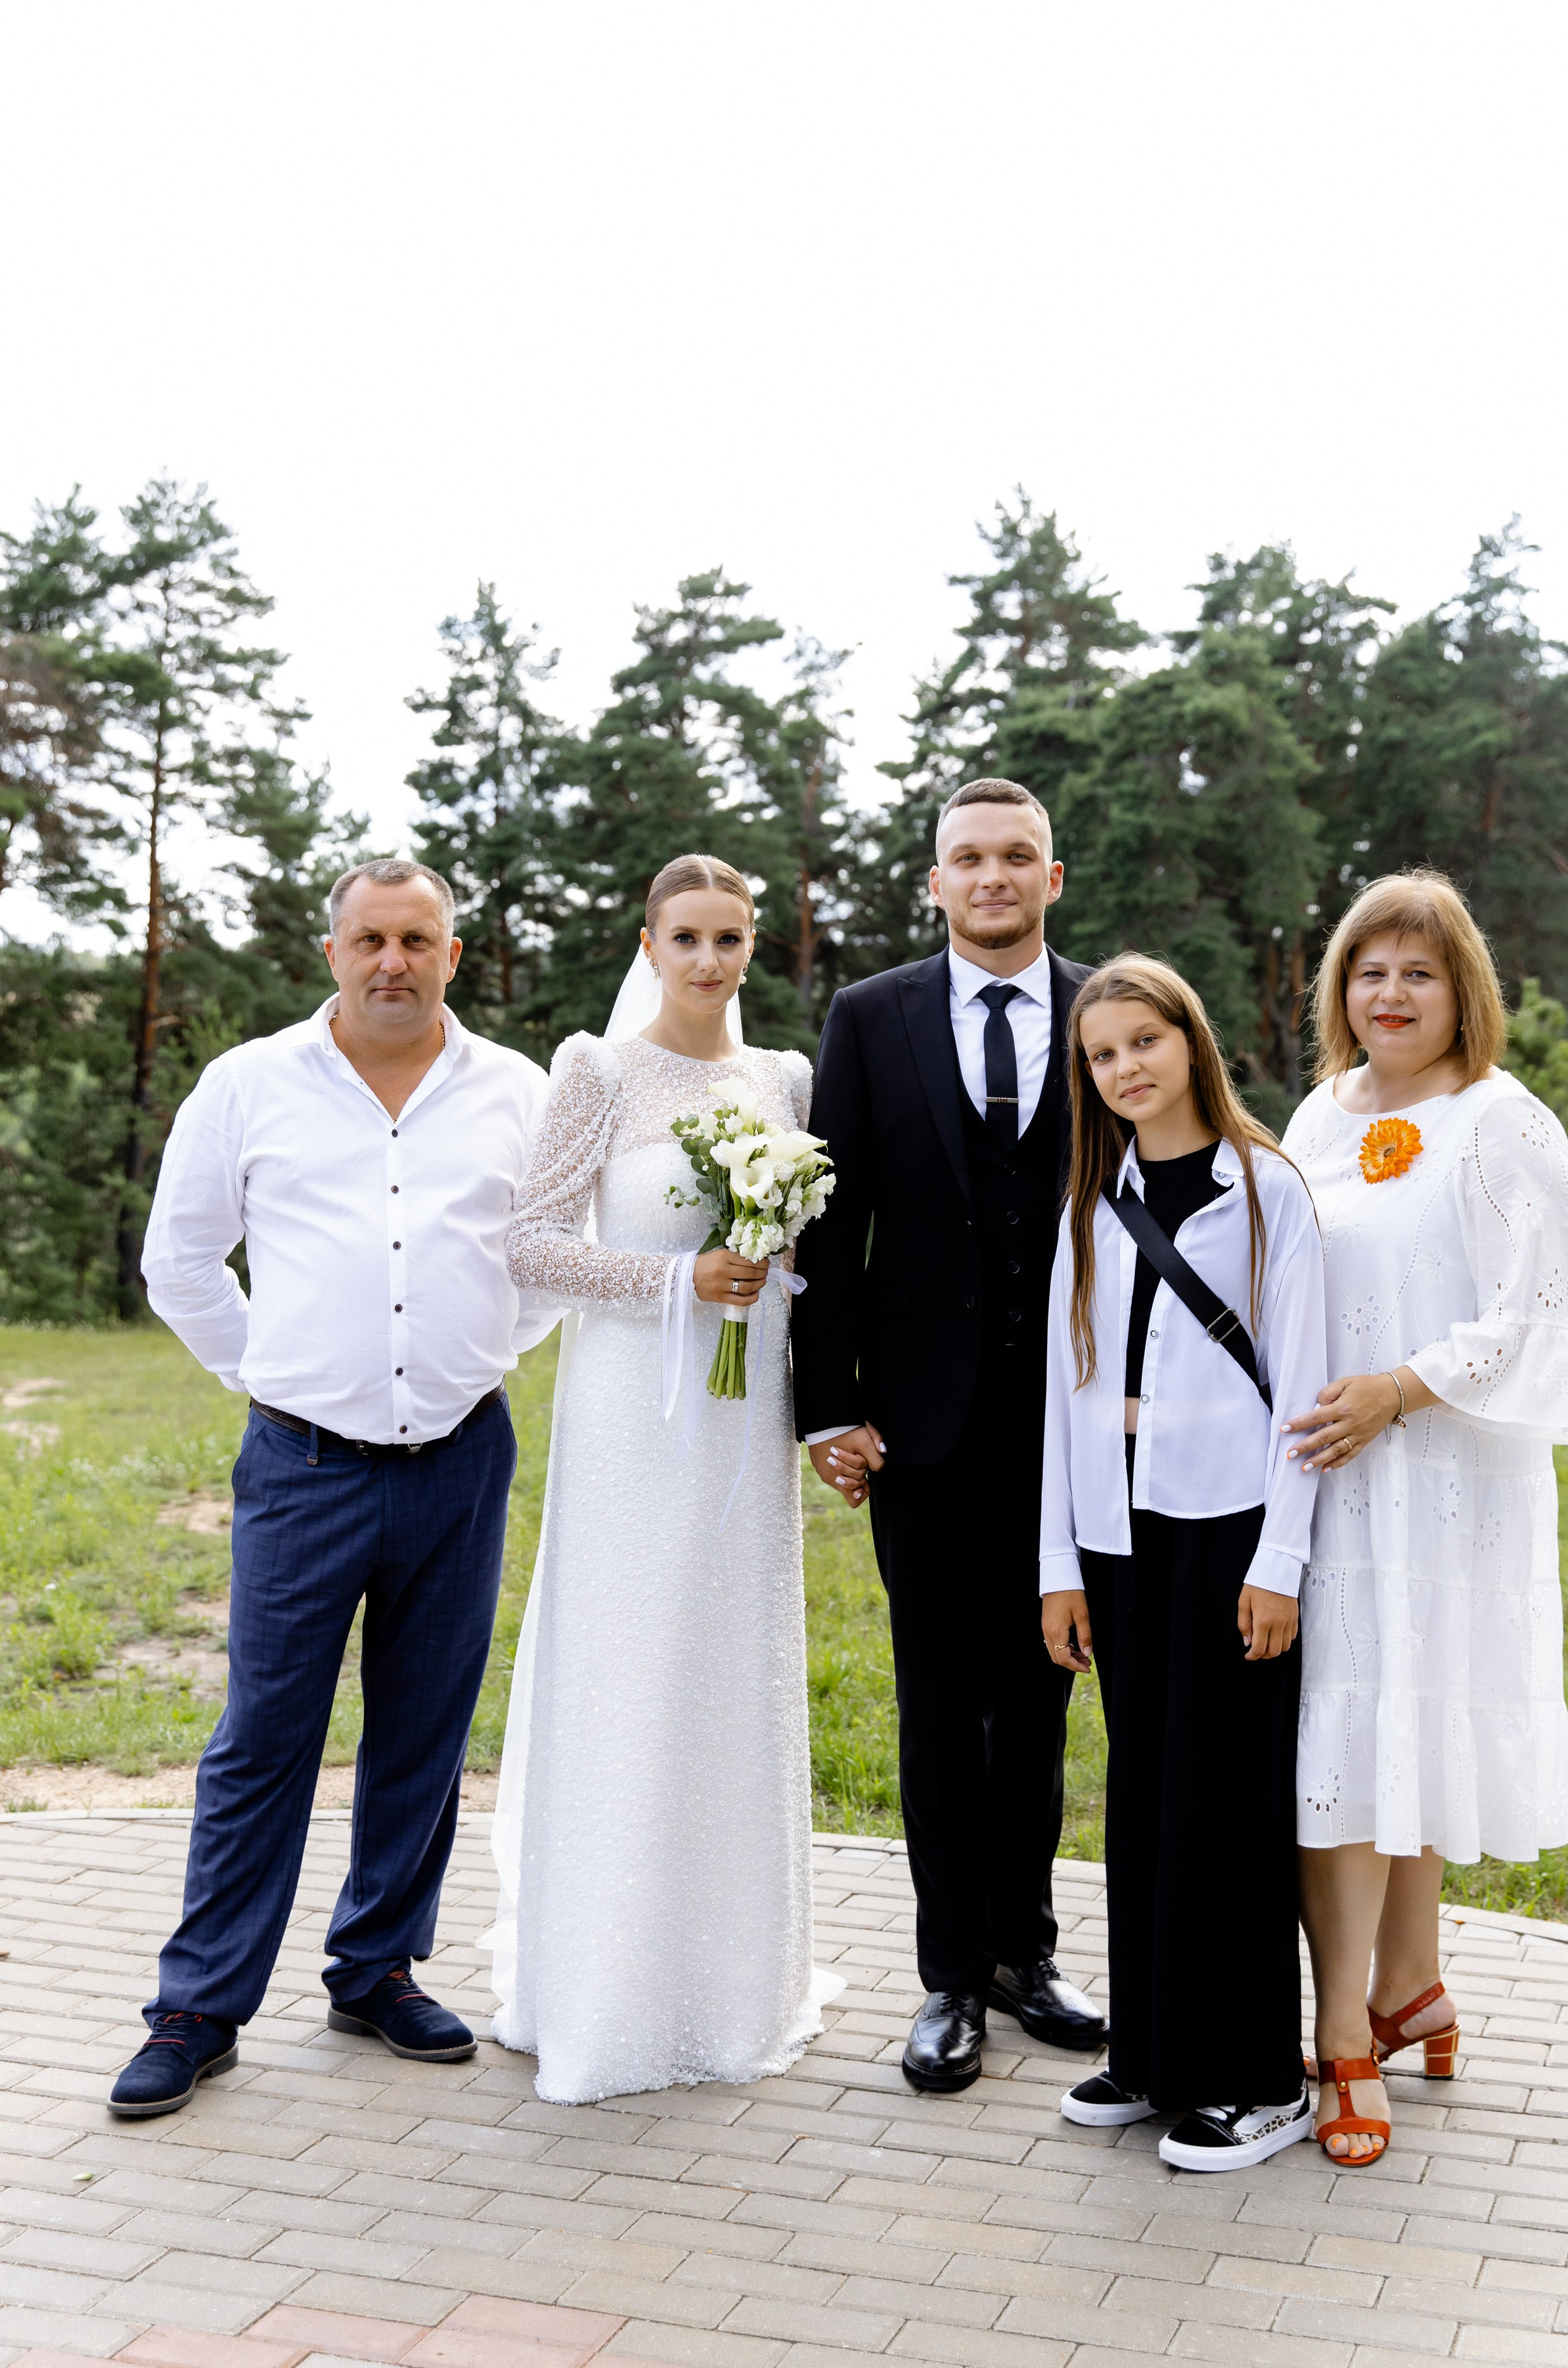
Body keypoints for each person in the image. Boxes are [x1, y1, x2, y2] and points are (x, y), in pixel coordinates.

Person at [110, 858, 560, 2118]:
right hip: (302, 1463)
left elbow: (540, 1261)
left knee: (423, 1728)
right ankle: (199, 2005)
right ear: (333, 951)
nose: (394, 961)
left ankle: (376, 1968)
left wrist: (482, 1354)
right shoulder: (248, 1082)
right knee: (264, 1738)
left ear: (454, 954)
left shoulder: (515, 1091)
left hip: (463, 1459)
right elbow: (181, 1258)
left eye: (419, 937)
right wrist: (271, 1371)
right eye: (372, 938)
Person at [487, 853, 835, 2103]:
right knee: (629, 1666)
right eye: (686, 936)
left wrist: (761, 1268)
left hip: (741, 1427)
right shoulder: (596, 1068)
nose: (708, 960)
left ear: (754, 944)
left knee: (727, 1665)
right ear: (649, 940)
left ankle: (730, 1982)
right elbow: (531, 1242)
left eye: (731, 938)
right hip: (634, 1419)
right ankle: (605, 1991)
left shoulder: (783, 1079)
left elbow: (798, 1257)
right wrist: (675, 1282)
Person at [792, 778, 1106, 2092]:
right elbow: (830, 1217)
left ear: (1050, 877)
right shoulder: (868, 1017)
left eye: (1015, 856)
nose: (991, 876)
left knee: (1036, 1702)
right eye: (967, 858)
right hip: (915, 1426)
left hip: (1074, 1426)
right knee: (936, 1706)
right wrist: (825, 1401)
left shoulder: (1108, 1008)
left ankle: (1023, 1956)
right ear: (934, 882)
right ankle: (945, 1978)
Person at [1282, 871, 1568, 2166]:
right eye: (1366, 970)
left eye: (1414, 971)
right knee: (1359, 1730)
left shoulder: (1499, 1121)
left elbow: (1529, 1310)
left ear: (1459, 984)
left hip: (1439, 1470)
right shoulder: (1313, 1111)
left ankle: (1344, 2035)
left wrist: (1400, 1391)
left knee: (1377, 1729)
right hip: (1329, 1472)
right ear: (1336, 989)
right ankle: (1410, 1987)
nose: (1388, 993)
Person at [1039, 957, 1326, 2170]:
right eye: (1103, 1055)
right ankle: (1155, 2053)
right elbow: (1066, 1390)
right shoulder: (1092, 1205)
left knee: (1231, 1798)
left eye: (1144, 1041)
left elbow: (1304, 1392)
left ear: (1189, 1041)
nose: (1126, 1068)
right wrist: (1059, 1561)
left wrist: (1283, 1561)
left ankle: (1261, 2075)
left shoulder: (1269, 1193)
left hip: (1231, 1529)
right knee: (1147, 1796)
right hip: (1119, 1533)